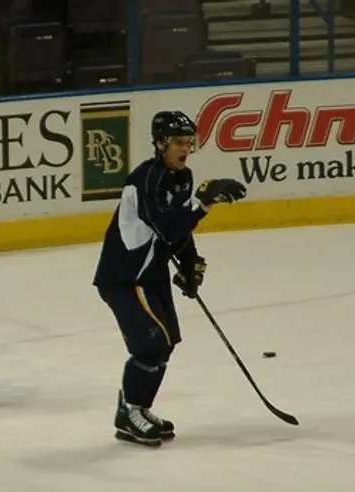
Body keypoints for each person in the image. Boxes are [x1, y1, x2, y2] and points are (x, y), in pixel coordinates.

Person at [92, 110, 247, 447]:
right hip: (124, 276)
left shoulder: (183, 178)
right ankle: (129, 410)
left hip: (151, 274)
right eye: (178, 142)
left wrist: (190, 264)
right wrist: (204, 205)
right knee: (151, 344)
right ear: (161, 143)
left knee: (167, 342)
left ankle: (138, 410)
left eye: (189, 142)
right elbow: (164, 225)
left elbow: (178, 232)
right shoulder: (144, 179)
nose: (185, 149)